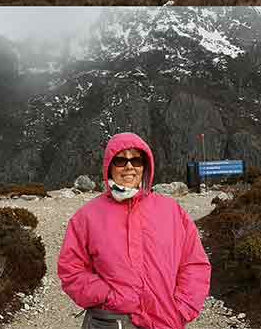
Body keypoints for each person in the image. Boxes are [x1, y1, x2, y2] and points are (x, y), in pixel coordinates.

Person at [58, 133, 211, 329]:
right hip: (111, 322)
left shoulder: (172, 211)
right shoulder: (86, 217)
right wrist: (108, 295)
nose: (129, 166)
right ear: (109, 167)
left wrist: (183, 307)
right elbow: (71, 270)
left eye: (136, 160)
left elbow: (194, 264)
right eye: (120, 160)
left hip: (167, 323)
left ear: (145, 166)